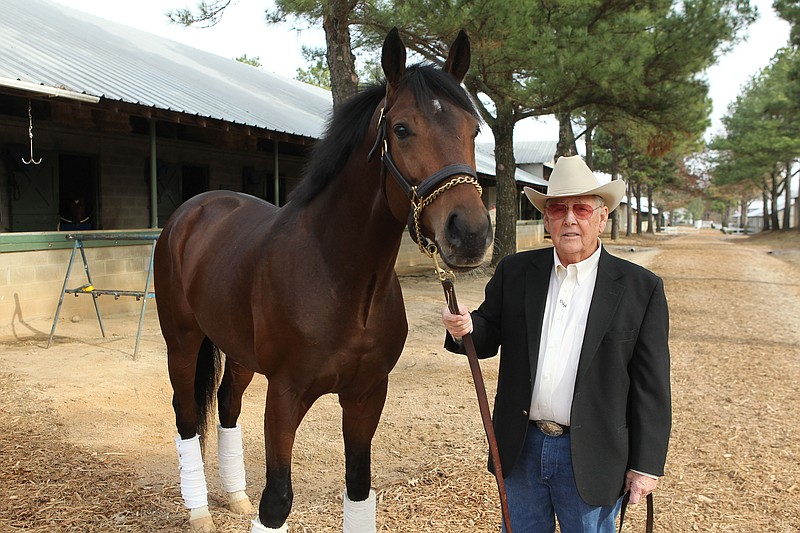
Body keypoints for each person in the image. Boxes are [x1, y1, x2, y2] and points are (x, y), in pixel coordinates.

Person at [442, 154, 671, 533]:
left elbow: (652, 387)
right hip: (522, 447)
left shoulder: (640, 288)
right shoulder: (515, 272)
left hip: (593, 456)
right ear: (547, 220)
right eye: (558, 209)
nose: (569, 218)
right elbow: (486, 333)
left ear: (602, 218)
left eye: (581, 208)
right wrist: (464, 326)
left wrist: (645, 466)